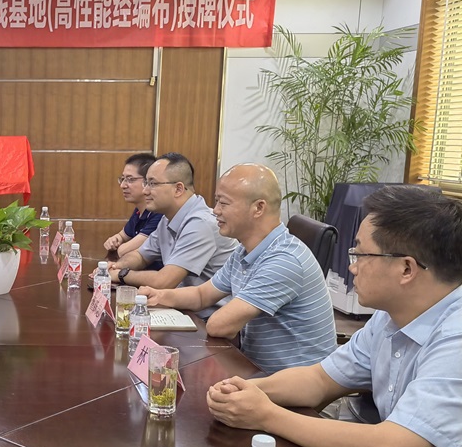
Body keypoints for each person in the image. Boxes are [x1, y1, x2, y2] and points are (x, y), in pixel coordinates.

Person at [207, 186, 462, 447]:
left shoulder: (455, 337)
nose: (352, 267)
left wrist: (266, 416)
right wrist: (245, 390)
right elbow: (319, 380)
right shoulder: (389, 317)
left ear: (406, 269)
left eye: (361, 254)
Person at [140, 164, 336, 373]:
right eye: (216, 201)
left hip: (292, 382)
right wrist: (160, 295)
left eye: (223, 203)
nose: (215, 211)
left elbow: (219, 326)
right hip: (256, 368)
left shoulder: (284, 260)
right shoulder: (245, 250)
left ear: (258, 208)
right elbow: (201, 295)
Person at [110, 152, 236, 294]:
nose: (145, 191)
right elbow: (141, 256)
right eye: (146, 183)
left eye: (152, 184)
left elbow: (164, 281)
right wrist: (115, 267)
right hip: (181, 302)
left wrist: (122, 274)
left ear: (178, 189)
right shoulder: (167, 218)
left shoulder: (201, 223)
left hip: (209, 308)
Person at [103, 152, 163, 269]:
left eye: (130, 180)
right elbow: (122, 236)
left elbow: (123, 251)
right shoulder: (138, 211)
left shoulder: (159, 213)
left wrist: (118, 247)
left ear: (148, 181)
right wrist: (114, 240)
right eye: (122, 179)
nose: (123, 185)